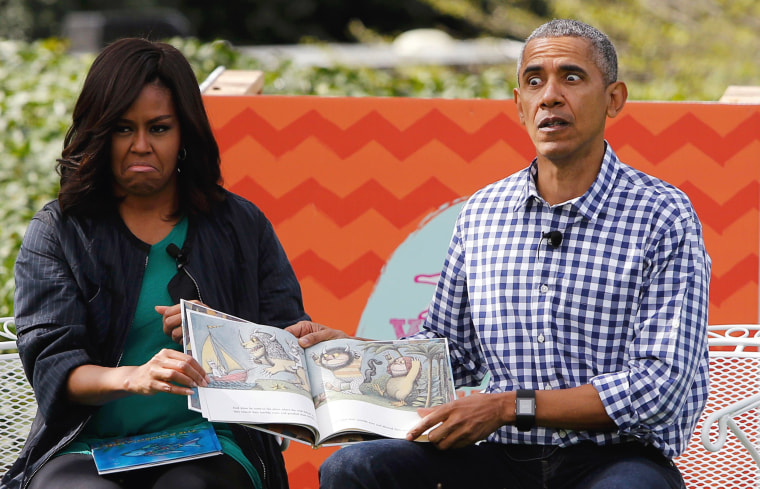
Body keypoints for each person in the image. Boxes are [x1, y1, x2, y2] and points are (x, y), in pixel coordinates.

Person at [287, 19, 711, 489]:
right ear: (519, 105)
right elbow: (449, 354)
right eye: (534, 81)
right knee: (353, 469)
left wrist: (509, 405)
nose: (549, 96)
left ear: (614, 99)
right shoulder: (483, 212)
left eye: (571, 77)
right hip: (500, 458)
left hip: (614, 458)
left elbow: (660, 388)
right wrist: (349, 353)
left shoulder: (663, 214)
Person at [2, 38, 315, 489]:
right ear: (98, 132)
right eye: (123, 129)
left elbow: (284, 341)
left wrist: (225, 337)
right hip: (83, 448)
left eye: (160, 128)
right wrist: (134, 376)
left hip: (216, 444)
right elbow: (54, 367)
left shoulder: (240, 225)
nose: (141, 146)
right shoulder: (60, 231)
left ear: (185, 132)